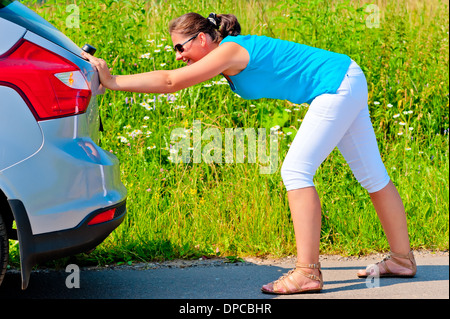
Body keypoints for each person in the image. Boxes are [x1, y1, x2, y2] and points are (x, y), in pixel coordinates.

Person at [82, 12, 417, 294]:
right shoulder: (224, 59)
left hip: (337, 83)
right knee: (371, 175)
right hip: (345, 78)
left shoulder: (230, 50)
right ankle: (402, 260)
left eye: (180, 47)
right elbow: (173, 75)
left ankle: (308, 273)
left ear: (202, 39)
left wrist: (112, 81)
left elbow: (171, 81)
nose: (178, 55)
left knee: (295, 171)